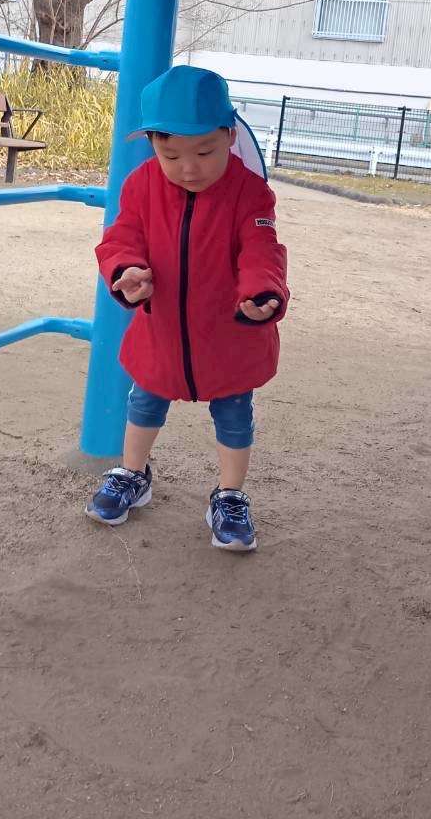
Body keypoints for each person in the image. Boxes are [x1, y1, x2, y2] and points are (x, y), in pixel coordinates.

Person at [86, 65, 289, 551]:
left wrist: (263, 293)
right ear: (152, 143)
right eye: (171, 154)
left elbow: (262, 249)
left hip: (229, 332)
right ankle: (133, 473)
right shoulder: (141, 185)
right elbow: (121, 238)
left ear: (230, 136)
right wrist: (126, 271)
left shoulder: (249, 192)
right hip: (162, 331)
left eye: (205, 151)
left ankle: (230, 495)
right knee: (144, 401)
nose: (189, 168)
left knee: (234, 412)